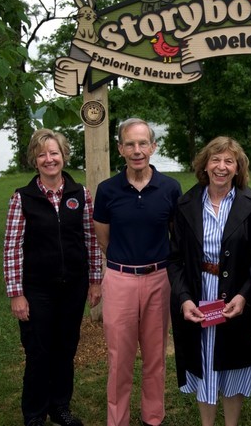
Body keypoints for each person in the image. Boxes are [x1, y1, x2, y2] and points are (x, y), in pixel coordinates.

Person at [3, 129, 103, 426]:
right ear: (35, 159)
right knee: (38, 352)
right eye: (42, 154)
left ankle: (60, 407)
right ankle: (34, 414)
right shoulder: (22, 198)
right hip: (37, 290)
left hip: (73, 286)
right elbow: (12, 248)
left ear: (63, 156)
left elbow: (91, 238)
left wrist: (95, 280)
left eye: (54, 153)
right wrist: (16, 293)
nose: (49, 159)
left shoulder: (79, 194)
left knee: (65, 349)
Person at [168, 136, 251, 426]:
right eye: (215, 159)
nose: (221, 167)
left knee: (231, 364)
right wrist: (184, 298)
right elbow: (175, 259)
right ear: (205, 165)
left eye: (228, 161)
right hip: (199, 293)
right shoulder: (186, 203)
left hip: (235, 295)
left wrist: (245, 295)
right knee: (203, 363)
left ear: (238, 168)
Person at [93, 118, 182, 426]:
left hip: (159, 279)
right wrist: (124, 263)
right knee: (120, 359)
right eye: (130, 144)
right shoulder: (107, 190)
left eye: (143, 143)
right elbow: (102, 237)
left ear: (153, 147)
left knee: (155, 355)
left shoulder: (170, 188)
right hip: (120, 279)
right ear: (120, 149)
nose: (137, 150)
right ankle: (117, 420)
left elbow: (176, 234)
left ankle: (152, 417)